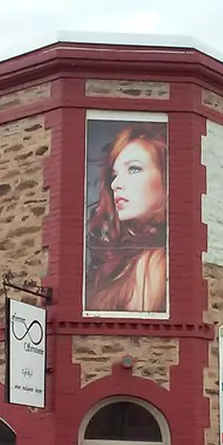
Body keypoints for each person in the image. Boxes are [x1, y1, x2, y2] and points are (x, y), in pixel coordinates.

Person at [84, 123, 168, 313]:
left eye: (134, 169)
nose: (115, 184)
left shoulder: (153, 264)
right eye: (114, 175)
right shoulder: (129, 257)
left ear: (166, 177)